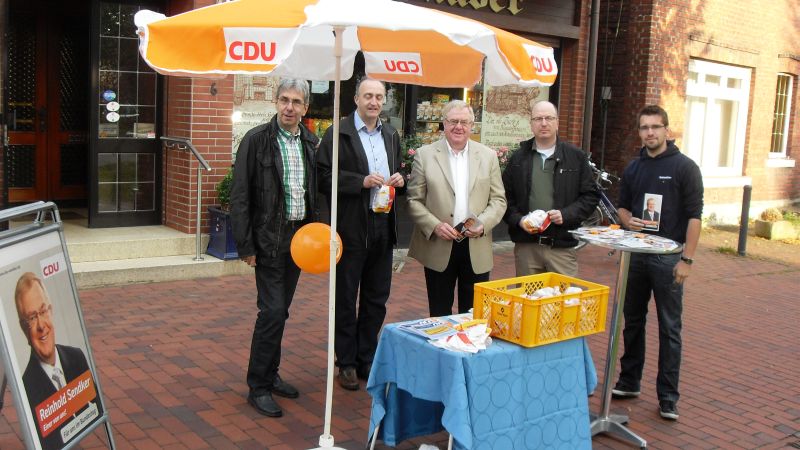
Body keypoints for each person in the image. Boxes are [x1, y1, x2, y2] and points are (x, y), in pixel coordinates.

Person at [230, 78, 319, 417]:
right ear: (275, 102)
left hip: (299, 242)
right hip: (269, 240)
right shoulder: (256, 141)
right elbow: (240, 196)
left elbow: (316, 193)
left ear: (305, 108)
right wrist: (246, 244)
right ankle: (259, 386)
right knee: (271, 312)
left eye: (296, 102)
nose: (289, 107)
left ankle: (271, 373)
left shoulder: (311, 142)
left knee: (281, 311)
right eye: (284, 100)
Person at [611, 105, 704, 421]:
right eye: (644, 127)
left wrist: (687, 260)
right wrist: (629, 221)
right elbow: (621, 209)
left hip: (668, 259)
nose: (649, 132)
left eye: (655, 127)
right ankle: (629, 381)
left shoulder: (685, 168)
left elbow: (695, 216)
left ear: (667, 129)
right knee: (633, 320)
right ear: (639, 132)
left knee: (669, 327)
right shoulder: (634, 168)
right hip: (636, 254)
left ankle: (668, 396)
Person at [317, 78, 404, 391]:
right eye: (368, 96)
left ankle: (367, 357)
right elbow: (323, 176)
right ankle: (347, 362)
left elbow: (400, 170)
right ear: (356, 99)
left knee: (376, 298)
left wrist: (400, 178)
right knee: (344, 297)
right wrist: (360, 181)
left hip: (383, 225)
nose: (374, 102)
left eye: (379, 97)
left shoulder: (391, 134)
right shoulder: (338, 133)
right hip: (352, 227)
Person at [407, 100, 506, 317]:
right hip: (440, 243)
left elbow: (499, 200)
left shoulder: (488, 156)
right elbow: (413, 200)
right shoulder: (425, 155)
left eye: (464, 121)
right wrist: (434, 225)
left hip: (475, 244)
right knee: (439, 313)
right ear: (443, 123)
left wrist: (483, 224)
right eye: (453, 121)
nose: (458, 126)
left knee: (474, 315)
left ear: (472, 125)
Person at [502, 100, 599, 276]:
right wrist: (519, 220)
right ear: (531, 124)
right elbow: (504, 198)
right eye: (538, 118)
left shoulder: (575, 157)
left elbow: (591, 195)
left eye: (549, 118)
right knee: (528, 300)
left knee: (562, 301)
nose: (544, 123)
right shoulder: (518, 158)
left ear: (557, 123)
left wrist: (567, 214)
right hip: (527, 248)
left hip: (561, 248)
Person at [15, 272, 101, 450]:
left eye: (43, 311)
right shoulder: (26, 389)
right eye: (31, 318)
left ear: (51, 311)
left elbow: (96, 407)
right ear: (23, 329)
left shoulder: (77, 357)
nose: (41, 325)